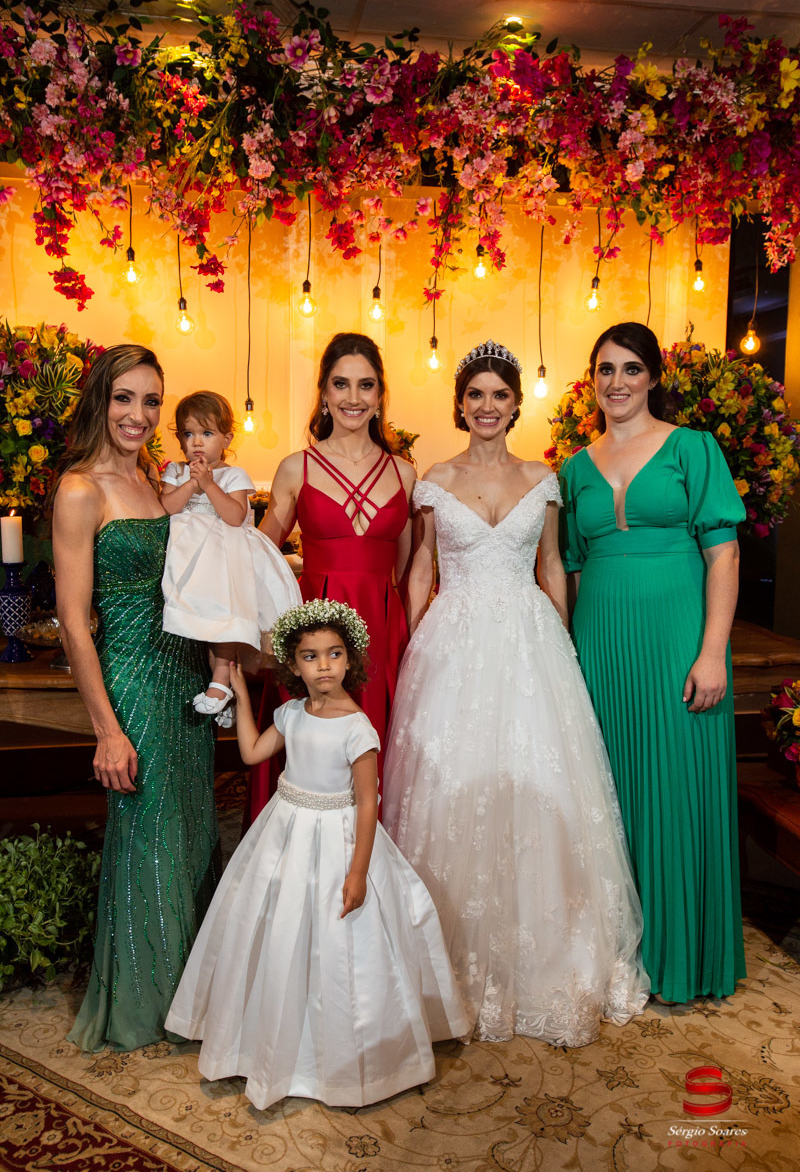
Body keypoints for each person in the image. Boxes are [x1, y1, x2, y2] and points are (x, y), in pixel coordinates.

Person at [382, 339, 649, 1046]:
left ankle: (549, 956)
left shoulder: (543, 478)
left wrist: (563, 643)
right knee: (452, 787)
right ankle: (448, 958)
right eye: (476, 394)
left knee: (542, 787)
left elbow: (552, 565)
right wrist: (412, 649)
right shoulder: (434, 480)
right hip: (453, 642)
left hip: (531, 643)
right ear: (460, 404)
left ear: (514, 405)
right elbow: (420, 570)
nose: (488, 406)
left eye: (500, 395)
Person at [165, 599, 468, 1109]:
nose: (324, 665)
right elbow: (251, 753)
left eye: (334, 654)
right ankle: (271, 1040)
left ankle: (344, 1059)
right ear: (293, 663)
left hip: (338, 839)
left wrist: (358, 872)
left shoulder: (357, 728)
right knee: (279, 928)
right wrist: (241, 694)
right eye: (310, 656)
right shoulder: (290, 714)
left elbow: (368, 803)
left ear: (350, 660)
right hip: (285, 830)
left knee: (337, 945)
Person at [558, 321, 746, 1004]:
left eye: (631, 369)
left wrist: (711, 651)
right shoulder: (573, 469)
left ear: (654, 377)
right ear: (593, 381)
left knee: (674, 788)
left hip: (676, 639)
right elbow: (570, 570)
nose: (617, 383)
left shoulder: (693, 448)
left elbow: (724, 554)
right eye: (605, 370)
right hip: (601, 644)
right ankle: (618, 959)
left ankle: (680, 958)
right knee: (606, 796)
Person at [51, 345, 219, 1052]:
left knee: (191, 828)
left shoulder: (151, 479)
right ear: (101, 399)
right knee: (149, 833)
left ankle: (192, 995)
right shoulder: (80, 489)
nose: (139, 415)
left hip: (183, 675)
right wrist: (107, 729)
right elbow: (73, 623)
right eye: (125, 398)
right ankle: (145, 1003)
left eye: (151, 401)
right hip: (132, 679)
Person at [243, 332, 415, 826]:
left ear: (380, 396)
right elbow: (259, 557)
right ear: (323, 393)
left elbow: (407, 570)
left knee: (375, 751)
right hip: (314, 633)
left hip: (382, 631)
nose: (353, 397)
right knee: (312, 762)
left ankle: (371, 861)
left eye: (366, 385)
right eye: (341, 384)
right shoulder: (295, 467)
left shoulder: (404, 474)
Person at [160, 390, 301, 724]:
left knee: (222, 616)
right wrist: (191, 485)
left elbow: (236, 516)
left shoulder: (233, 475)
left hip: (219, 560)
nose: (197, 442)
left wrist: (209, 486)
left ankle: (222, 680)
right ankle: (218, 690)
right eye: (188, 433)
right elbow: (166, 508)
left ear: (226, 438)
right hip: (183, 558)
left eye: (207, 433)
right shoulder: (176, 471)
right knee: (193, 621)